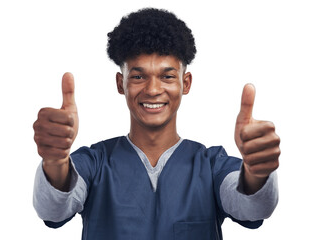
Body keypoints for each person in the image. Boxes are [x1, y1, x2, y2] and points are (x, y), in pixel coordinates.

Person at [33, 8, 280, 240]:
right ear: (121, 84)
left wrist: (258, 173)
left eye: (167, 76)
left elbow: (251, 207)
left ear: (186, 83)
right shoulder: (94, 163)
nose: (153, 90)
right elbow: (53, 211)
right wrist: (54, 162)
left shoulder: (211, 165)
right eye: (139, 76)